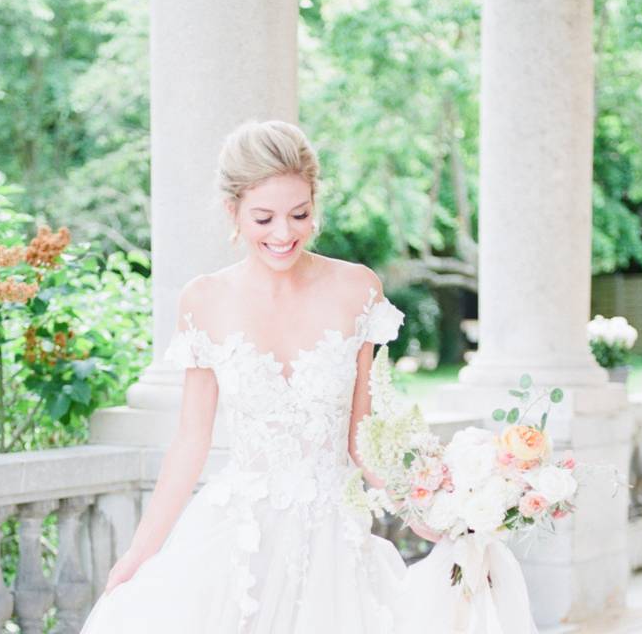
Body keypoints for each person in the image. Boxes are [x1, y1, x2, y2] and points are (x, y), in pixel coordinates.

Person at [79, 120, 530, 634]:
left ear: (315, 201)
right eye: (263, 217)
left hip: (334, 542)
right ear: (233, 211)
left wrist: (424, 513)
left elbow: (364, 436)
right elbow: (191, 441)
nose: (283, 233)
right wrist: (141, 551)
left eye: (299, 214)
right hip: (239, 538)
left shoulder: (357, 288)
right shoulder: (203, 300)